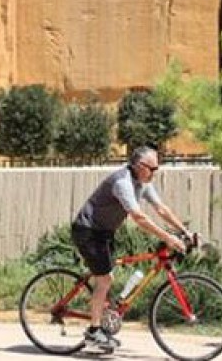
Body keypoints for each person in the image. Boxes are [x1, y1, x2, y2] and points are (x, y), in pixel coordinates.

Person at [71, 146, 193, 351]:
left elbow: (161, 209)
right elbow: (139, 217)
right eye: (152, 169)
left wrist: (184, 231)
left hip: (105, 232)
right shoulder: (122, 183)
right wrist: (168, 238)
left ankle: (102, 318)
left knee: (107, 275)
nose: (155, 172)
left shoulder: (143, 182)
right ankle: (93, 331)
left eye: (157, 168)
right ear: (139, 166)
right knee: (105, 279)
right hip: (88, 230)